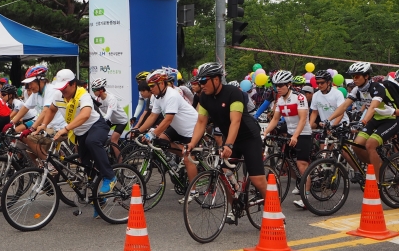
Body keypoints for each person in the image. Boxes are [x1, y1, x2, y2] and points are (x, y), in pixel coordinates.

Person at [185, 62, 267, 223]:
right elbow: (201, 123)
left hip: (248, 137)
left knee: (257, 179)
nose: (200, 85)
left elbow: (235, 121)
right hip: (231, 138)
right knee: (223, 174)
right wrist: (191, 144)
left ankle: (276, 212)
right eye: (199, 82)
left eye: (203, 81)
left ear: (216, 79)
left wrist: (228, 145)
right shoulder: (205, 98)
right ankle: (235, 206)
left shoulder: (233, 93)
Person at [37, 69, 117, 206]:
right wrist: (43, 125)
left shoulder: (83, 95)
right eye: (60, 88)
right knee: (86, 166)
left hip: (96, 126)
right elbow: (51, 110)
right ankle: (99, 199)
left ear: (73, 84)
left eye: (65, 88)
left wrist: (66, 129)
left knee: (92, 142)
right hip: (79, 132)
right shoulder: (58, 95)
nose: (62, 91)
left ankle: (110, 176)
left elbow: (85, 115)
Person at [324, 62, 399, 178]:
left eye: (357, 76)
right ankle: (377, 166)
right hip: (375, 119)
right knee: (356, 145)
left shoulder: (377, 88)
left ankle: (377, 181)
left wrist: (363, 122)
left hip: (390, 119)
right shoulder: (357, 90)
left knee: (370, 144)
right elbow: (344, 107)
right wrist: (328, 120)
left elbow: (373, 107)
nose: (354, 79)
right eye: (353, 76)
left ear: (366, 76)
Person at [135, 70, 199, 202]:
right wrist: (138, 130)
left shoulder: (172, 95)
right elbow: (153, 116)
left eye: (153, 86)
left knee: (188, 159)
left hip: (191, 128)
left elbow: (168, 119)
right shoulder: (157, 96)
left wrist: (151, 133)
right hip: (177, 127)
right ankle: (182, 156)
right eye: (150, 86)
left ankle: (193, 191)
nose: (150, 89)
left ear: (162, 84)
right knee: (160, 141)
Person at [262, 70, 313, 209]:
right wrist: (265, 132)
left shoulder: (299, 97)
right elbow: (276, 119)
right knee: (286, 163)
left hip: (303, 133)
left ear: (289, 84)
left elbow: (303, 119)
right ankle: (301, 182)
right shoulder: (280, 99)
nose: (278, 88)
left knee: (302, 164)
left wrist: (296, 136)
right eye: (276, 85)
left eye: (281, 85)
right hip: (290, 133)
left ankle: (306, 197)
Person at [13, 66, 66, 160]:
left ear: (41, 80)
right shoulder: (36, 93)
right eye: (28, 84)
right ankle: (39, 170)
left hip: (58, 127)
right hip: (47, 126)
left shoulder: (51, 90)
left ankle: (49, 164)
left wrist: (32, 128)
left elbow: (46, 111)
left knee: (28, 138)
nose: (29, 87)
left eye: (31, 83)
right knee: (30, 151)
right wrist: (11, 123)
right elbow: (25, 108)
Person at [90, 78, 128, 153]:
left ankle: (120, 163)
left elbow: (108, 115)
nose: (93, 92)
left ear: (101, 90)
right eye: (92, 90)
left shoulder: (111, 98)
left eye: (94, 90)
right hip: (111, 120)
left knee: (113, 141)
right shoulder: (97, 99)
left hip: (121, 121)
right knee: (98, 135)